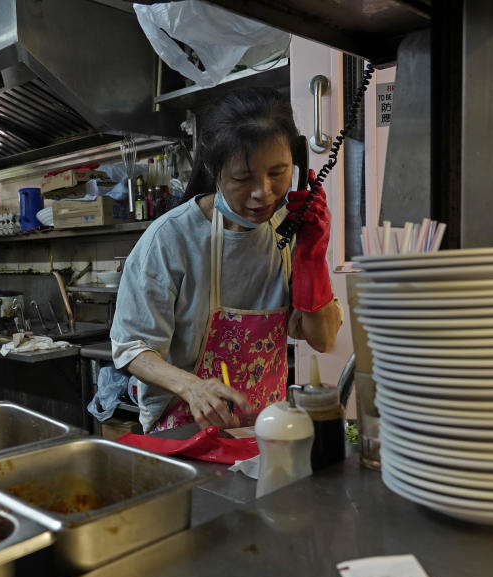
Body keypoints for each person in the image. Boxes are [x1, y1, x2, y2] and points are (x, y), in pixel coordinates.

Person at [110, 87, 343, 433]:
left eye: (277, 173)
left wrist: (311, 255)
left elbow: (323, 340)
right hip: (184, 429)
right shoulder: (171, 239)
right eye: (242, 177)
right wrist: (193, 387)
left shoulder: (291, 229)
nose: (262, 192)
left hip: (266, 430)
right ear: (214, 169)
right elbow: (130, 347)